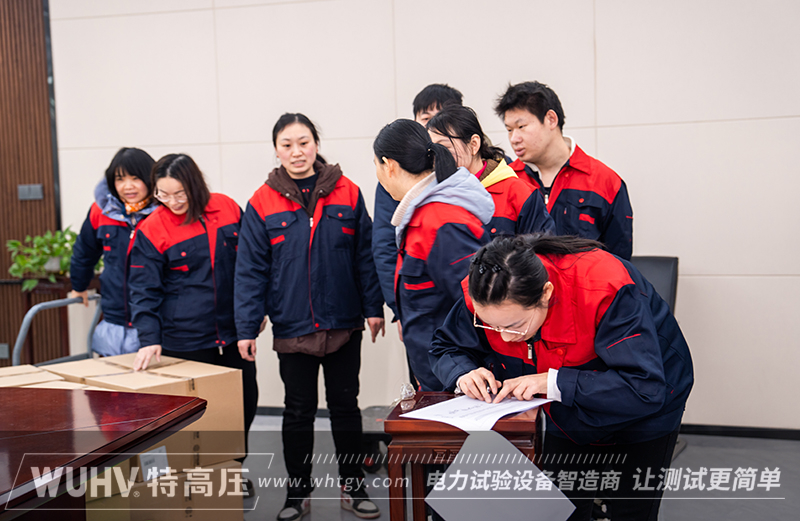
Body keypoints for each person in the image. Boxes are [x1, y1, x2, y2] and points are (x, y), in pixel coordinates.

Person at [430, 234, 694, 520]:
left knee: (631, 509)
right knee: (563, 507)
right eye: (491, 326)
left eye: (515, 326)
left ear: (546, 293)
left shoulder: (604, 287)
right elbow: (446, 346)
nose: (504, 337)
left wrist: (551, 382)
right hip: (567, 410)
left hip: (647, 406)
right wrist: (462, 372)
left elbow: (643, 388)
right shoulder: (486, 292)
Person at [234, 113, 385, 521]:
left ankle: (353, 486)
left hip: (343, 322)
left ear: (316, 144)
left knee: (345, 407)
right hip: (293, 325)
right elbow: (250, 270)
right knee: (297, 411)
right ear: (276, 150)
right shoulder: (262, 201)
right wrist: (246, 327)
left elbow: (365, 257)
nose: (296, 152)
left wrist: (373, 308)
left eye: (303, 142)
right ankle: (297, 493)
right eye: (287, 145)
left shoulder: (347, 191)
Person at [127, 153, 258, 470]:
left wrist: (252, 317)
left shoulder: (226, 208)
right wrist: (149, 337)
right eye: (163, 195)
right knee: (196, 417)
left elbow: (250, 266)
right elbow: (143, 290)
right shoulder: (152, 228)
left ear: (195, 185)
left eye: (180, 194)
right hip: (185, 341)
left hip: (234, 335)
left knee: (242, 404)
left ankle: (232, 469)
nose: (172, 202)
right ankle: (197, 479)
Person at [373, 119, 494, 392]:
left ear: (389, 165)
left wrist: (460, 371)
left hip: (460, 379)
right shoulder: (423, 216)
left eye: (376, 166)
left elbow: (479, 305)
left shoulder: (440, 222)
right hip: (441, 374)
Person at [372, 83, 464, 382]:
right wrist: (402, 311)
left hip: (451, 354)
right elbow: (385, 249)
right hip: (430, 344)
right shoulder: (415, 207)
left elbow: (469, 296)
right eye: (426, 118)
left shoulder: (436, 218)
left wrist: (462, 368)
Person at [495, 81, 634, 259]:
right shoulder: (507, 180)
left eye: (521, 127)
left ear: (551, 120)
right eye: (509, 130)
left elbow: (619, 261)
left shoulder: (605, 181)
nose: (514, 139)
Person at [69, 147, 158, 355]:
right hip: (114, 318)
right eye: (120, 179)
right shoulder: (101, 211)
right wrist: (79, 285)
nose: (128, 186)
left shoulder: (163, 213)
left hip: (156, 318)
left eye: (135, 178)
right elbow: (85, 251)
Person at [427, 105, 556, 238]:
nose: (437, 156)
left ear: (474, 144)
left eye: (444, 147)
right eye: (433, 150)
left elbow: (543, 248)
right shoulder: (431, 196)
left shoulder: (519, 194)